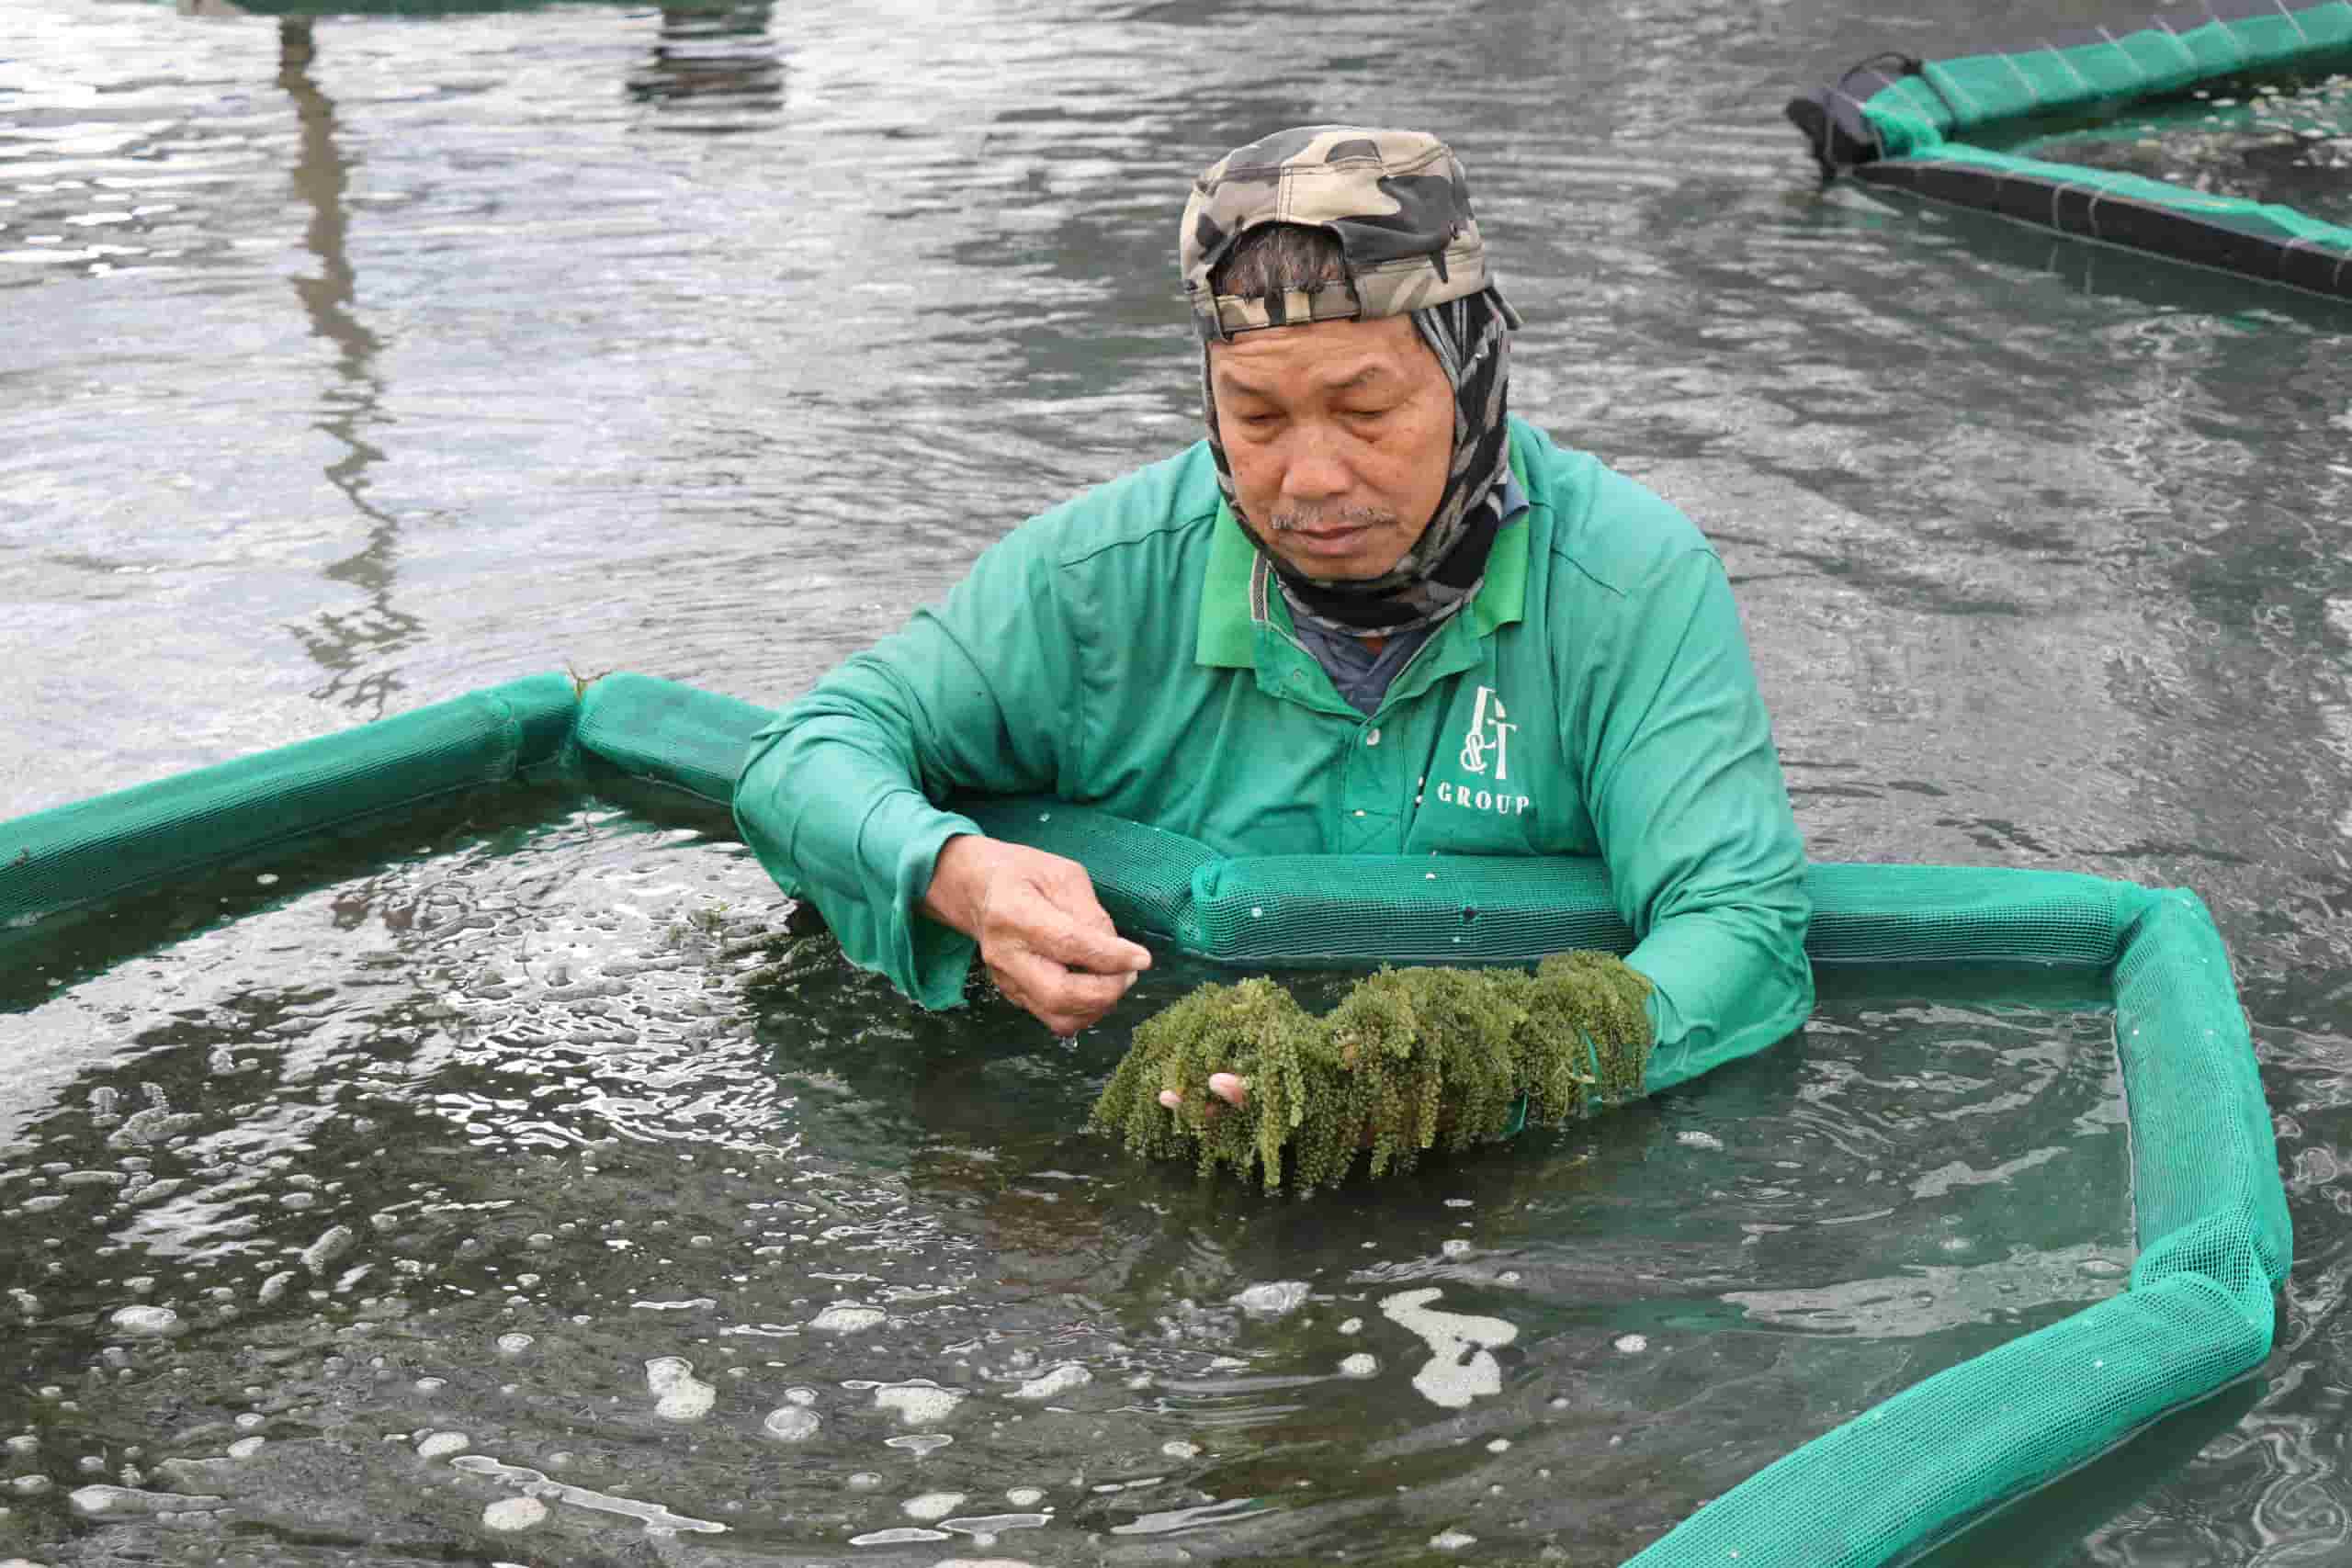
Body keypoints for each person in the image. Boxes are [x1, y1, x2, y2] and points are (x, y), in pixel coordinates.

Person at [734, 126, 1813, 1113]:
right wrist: (955, 875)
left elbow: (1738, 934)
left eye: (1365, 411)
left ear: (1474, 378)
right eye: (1255, 417)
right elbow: (807, 757)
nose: (1309, 479)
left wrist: (1481, 1073)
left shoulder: (1630, 583)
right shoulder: (1097, 576)